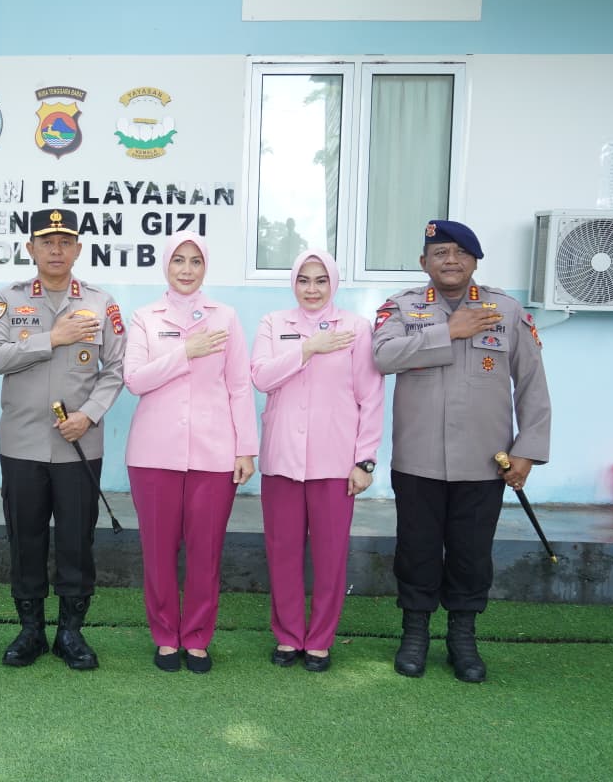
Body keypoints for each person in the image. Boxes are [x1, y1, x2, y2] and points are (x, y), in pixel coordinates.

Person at [373, 220, 550, 683]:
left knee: (472, 554)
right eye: (440, 252)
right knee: (416, 550)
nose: (450, 260)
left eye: (460, 252)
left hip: (485, 460)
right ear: (424, 262)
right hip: (418, 458)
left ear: (474, 260)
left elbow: (532, 383)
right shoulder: (402, 307)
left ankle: (463, 639)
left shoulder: (506, 310)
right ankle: (414, 635)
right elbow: (383, 357)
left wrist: (528, 449)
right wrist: (448, 331)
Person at [0, 208, 126, 671]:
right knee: (24, 538)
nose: (56, 250)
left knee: (75, 540)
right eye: (47, 242)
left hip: (78, 445)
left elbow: (116, 369)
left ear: (78, 249)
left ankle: (70, 633)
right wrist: (52, 337)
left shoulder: (101, 303)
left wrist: (89, 415)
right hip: (22, 444)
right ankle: (30, 631)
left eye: (65, 242)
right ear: (31, 248)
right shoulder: (9, 299)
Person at [123, 231, 257, 674]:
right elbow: (135, 379)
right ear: (166, 264)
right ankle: (166, 636)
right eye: (178, 260)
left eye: (195, 261)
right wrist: (185, 351)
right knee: (158, 552)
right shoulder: (145, 317)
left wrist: (246, 449)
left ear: (205, 267)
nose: (186, 269)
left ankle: (197, 637)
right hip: (153, 455)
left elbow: (239, 386)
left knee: (206, 551)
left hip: (215, 454)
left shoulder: (226, 317)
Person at [250, 250, 384, 673]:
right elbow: (261, 377)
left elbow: (371, 396)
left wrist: (365, 460)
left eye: (321, 280)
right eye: (304, 280)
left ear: (334, 283)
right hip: (282, 460)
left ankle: (320, 640)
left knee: (330, 556)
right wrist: (308, 349)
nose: (312, 289)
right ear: (293, 282)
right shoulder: (273, 324)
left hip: (335, 462)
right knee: (283, 552)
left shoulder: (356, 328)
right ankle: (289, 635)